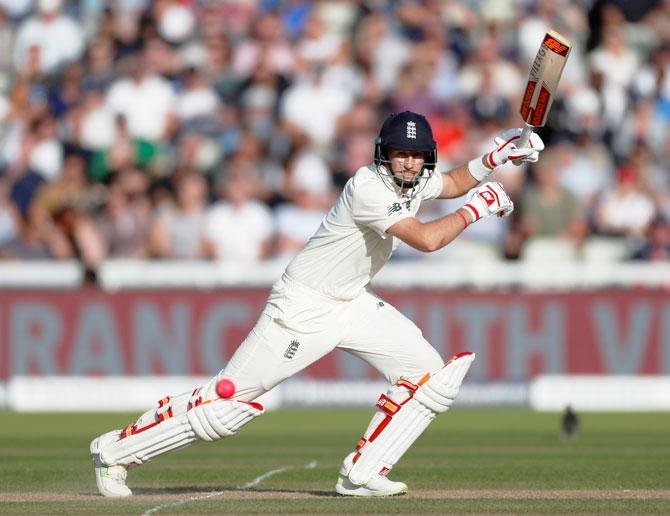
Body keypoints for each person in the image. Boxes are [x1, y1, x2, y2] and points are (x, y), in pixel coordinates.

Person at [90, 111, 544, 498]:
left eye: (417, 155)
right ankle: (114, 452)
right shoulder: (370, 187)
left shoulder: (415, 180)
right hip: (301, 308)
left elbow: (450, 183)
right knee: (226, 405)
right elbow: (426, 240)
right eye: (400, 154)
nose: (408, 163)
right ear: (382, 154)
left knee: (429, 376)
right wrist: (474, 211)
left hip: (350, 303)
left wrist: (495, 157)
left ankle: (363, 472)